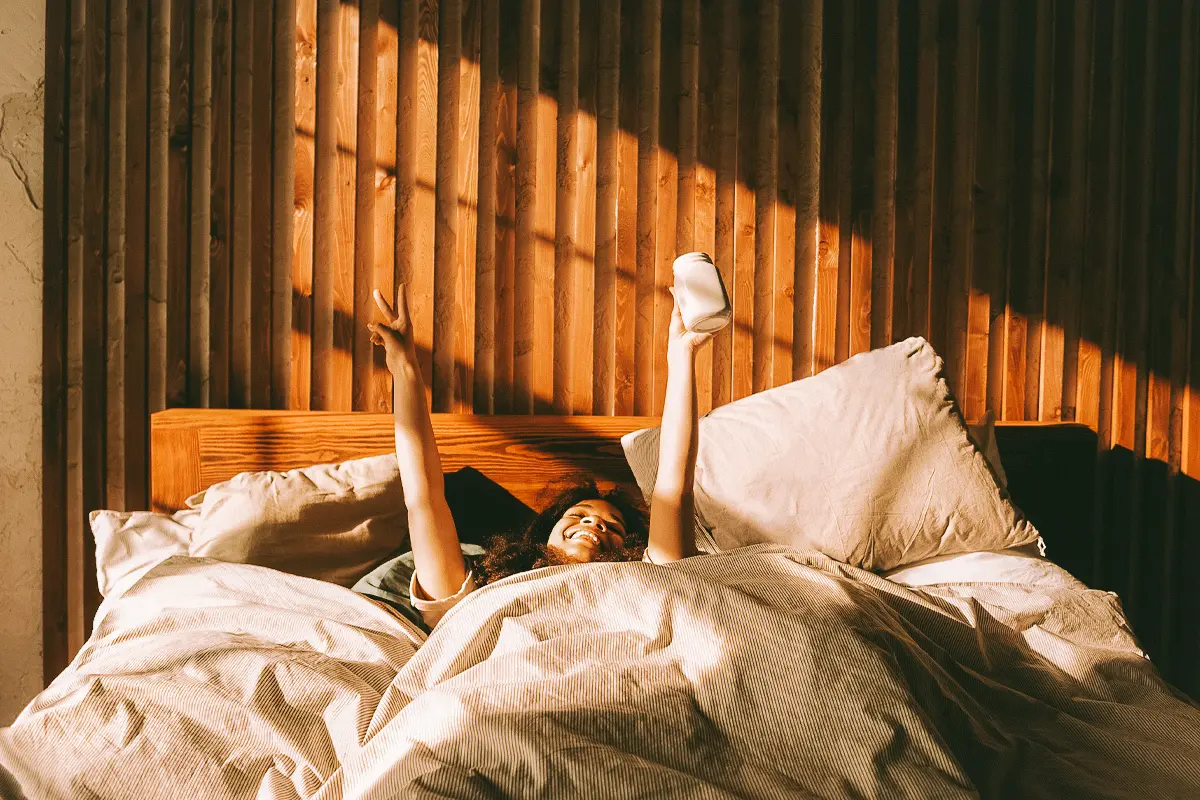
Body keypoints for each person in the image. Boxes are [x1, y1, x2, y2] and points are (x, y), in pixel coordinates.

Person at [353, 283, 713, 631]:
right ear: (544, 536)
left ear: (632, 550)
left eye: (615, 528)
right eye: (578, 515)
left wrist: (682, 356)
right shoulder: (477, 591)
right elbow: (424, 500)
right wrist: (405, 369)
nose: (595, 526)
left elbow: (674, 487)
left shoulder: (643, 586)